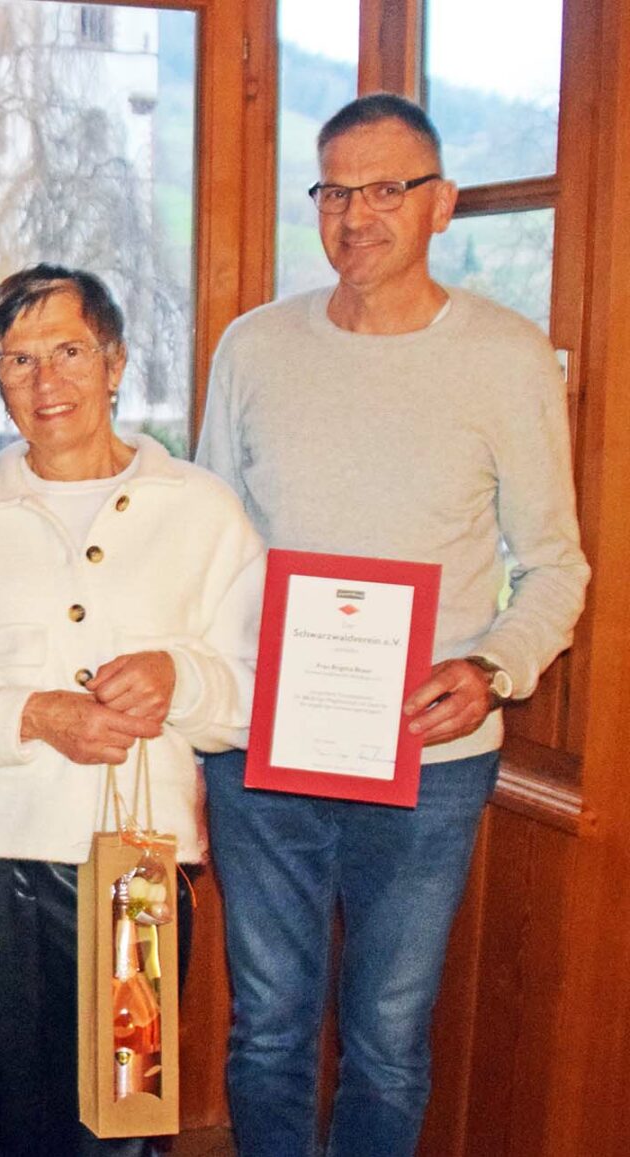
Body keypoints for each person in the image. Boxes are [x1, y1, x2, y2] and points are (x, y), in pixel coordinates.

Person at [196, 93, 590, 1157]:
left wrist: (493, 669)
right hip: (264, 751)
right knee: (267, 1030)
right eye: (334, 191)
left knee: (387, 1037)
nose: (355, 215)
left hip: (430, 756)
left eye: (385, 189)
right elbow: (210, 548)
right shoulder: (254, 347)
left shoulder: (507, 355)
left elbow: (556, 565)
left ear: (441, 204)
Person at [0, 264, 264, 1155]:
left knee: (125, 1122)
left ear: (116, 362)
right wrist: (34, 715)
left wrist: (181, 679)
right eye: (19, 360)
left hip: (137, 880)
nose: (46, 381)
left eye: (70, 351)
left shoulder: (203, 511)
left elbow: (255, 695)